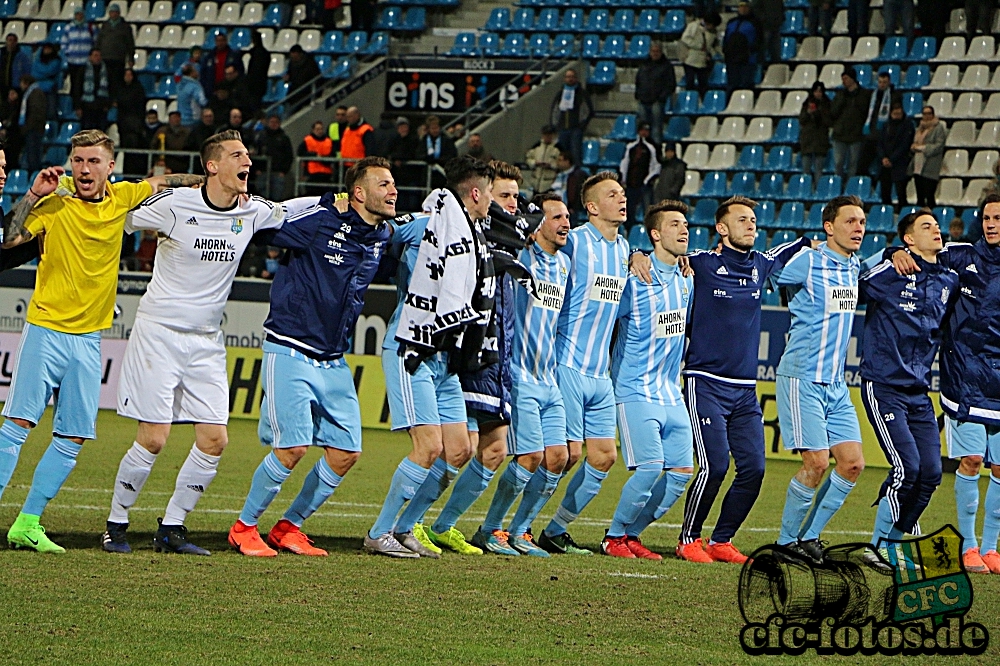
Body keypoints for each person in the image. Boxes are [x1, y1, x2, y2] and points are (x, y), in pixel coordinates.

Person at [101, 130, 319, 555]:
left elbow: (293, 209)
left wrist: (340, 202)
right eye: (238, 155)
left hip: (206, 342)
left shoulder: (252, 210)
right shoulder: (172, 206)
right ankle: (116, 524)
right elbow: (118, 214)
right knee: (154, 438)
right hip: (159, 334)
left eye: (248, 156)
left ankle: (172, 528)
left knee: (215, 440)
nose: (249, 163)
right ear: (213, 165)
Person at [0, 130, 203, 553]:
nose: (84, 169)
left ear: (110, 166)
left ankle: (28, 522)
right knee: (16, 427)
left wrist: (211, 181)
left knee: (72, 437)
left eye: (93, 161)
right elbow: (12, 241)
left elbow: (165, 183)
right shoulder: (55, 201)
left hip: (89, 340)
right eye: (78, 161)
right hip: (47, 330)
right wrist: (33, 195)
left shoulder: (124, 196)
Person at [631, 197, 813, 563]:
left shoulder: (762, 264)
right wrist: (636, 253)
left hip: (745, 389)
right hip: (705, 381)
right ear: (722, 228)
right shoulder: (701, 262)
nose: (751, 225)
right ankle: (688, 539)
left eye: (754, 220)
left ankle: (722, 540)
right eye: (742, 219)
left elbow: (805, 242)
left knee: (755, 469)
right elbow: (662, 254)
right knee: (714, 465)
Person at [228, 161, 392, 556]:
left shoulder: (383, 233)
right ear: (357, 192)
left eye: (393, 184)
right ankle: (244, 526)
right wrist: (320, 200)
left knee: (346, 452)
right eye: (383, 184)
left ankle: (288, 527)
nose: (393, 191)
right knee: (293, 448)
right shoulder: (319, 220)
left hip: (334, 359)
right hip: (290, 348)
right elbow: (266, 223)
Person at [364, 157, 493, 558]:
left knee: (458, 450)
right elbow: (379, 234)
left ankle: (405, 528)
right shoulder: (425, 225)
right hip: (412, 349)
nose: (491, 200)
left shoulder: (475, 238)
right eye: (489, 192)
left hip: (445, 357)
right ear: (474, 193)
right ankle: (379, 531)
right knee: (428, 447)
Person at [888, 194, 1000, 574]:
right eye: (986, 217)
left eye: (998, 218)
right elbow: (921, 252)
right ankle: (969, 547)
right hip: (964, 377)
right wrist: (893, 253)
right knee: (970, 461)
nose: (990, 224)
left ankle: (991, 547)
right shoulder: (963, 255)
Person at [534, 172, 630, 555]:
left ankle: (555, 530)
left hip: (599, 373)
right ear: (592, 207)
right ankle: (514, 526)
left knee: (604, 456)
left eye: (622, 193)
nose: (621, 199)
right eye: (612, 194)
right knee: (566, 455)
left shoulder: (624, 249)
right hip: (568, 364)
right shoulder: (574, 242)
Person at [858, 210, 957, 569]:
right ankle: (878, 547)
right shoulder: (892, 270)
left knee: (930, 474)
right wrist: (886, 253)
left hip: (919, 392)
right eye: (925, 227)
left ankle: (893, 543)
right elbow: (855, 276)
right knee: (907, 468)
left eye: (936, 226)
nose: (936, 231)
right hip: (883, 385)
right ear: (909, 240)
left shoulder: (949, 279)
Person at [478, 192, 570, 558]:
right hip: (520, 375)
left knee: (559, 458)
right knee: (529, 456)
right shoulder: (520, 259)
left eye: (567, 217)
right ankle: (490, 529)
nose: (565, 223)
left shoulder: (564, 265)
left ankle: (520, 531)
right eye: (557, 217)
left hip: (550, 379)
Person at [774, 195, 865, 565]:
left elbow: (886, 263)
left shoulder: (855, 266)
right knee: (816, 463)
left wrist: (893, 252)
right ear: (829, 227)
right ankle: (783, 544)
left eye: (861, 222)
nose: (858, 228)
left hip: (836, 384)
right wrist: (799, 243)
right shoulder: (808, 262)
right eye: (850, 221)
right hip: (802, 378)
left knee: (853, 464)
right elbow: (764, 267)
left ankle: (809, 537)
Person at [602, 200, 693, 560]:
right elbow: (602, 320)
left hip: (672, 393)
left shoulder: (687, 278)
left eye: (685, 224)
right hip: (634, 389)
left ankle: (632, 535)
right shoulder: (633, 280)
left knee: (682, 472)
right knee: (650, 468)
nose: (684, 230)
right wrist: (633, 256)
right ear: (655, 234)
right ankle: (613, 537)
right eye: (674, 225)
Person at [830, 66, 871, 182]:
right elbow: (833, 111)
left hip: (856, 133)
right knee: (838, 163)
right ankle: (838, 185)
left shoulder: (863, 94)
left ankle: (850, 186)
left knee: (853, 163)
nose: (844, 81)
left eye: (846, 78)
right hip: (840, 133)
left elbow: (865, 110)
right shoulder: (840, 94)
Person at [859, 72, 901, 178]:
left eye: (885, 82)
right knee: (863, 164)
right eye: (880, 82)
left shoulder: (894, 96)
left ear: (889, 82)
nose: (882, 84)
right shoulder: (872, 95)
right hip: (870, 134)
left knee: (882, 164)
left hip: (885, 135)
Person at [549, 69, 592, 168]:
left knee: (576, 155)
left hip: (576, 129)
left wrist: (582, 126)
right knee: (563, 156)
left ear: (576, 78)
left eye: (572, 76)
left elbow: (588, 111)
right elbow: (555, 110)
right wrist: (555, 126)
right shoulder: (560, 94)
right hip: (562, 129)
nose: (570, 79)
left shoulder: (582, 93)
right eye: (568, 77)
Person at [620, 122, 660, 227]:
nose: (644, 133)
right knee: (629, 211)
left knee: (647, 210)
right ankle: (628, 232)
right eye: (642, 130)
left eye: (646, 130)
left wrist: (646, 180)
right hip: (631, 184)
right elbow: (625, 163)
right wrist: (623, 179)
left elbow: (655, 166)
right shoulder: (630, 147)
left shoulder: (652, 148)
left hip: (644, 185)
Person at [634, 42, 675, 145]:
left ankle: (656, 151)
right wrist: (638, 94)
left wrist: (661, 97)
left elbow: (671, 84)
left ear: (661, 52)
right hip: (643, 100)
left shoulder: (667, 66)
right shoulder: (643, 65)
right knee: (643, 129)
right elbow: (638, 80)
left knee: (656, 129)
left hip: (657, 102)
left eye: (657, 51)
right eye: (653, 51)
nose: (655, 54)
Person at [910, 106, 947, 209]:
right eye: (924, 113)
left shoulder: (938, 128)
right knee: (920, 196)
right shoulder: (919, 128)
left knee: (929, 195)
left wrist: (922, 148)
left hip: (930, 166)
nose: (926, 116)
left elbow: (939, 145)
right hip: (918, 165)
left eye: (929, 113)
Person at [877, 103, 914, 206]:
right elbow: (880, 143)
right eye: (895, 113)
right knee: (885, 192)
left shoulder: (907, 125)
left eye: (899, 113)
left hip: (900, 163)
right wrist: (883, 158)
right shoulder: (886, 125)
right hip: (884, 164)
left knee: (901, 192)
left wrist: (892, 159)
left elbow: (905, 145)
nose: (897, 116)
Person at [723, 1, 761, 96]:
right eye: (741, 7)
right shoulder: (731, 22)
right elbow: (726, 39)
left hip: (747, 60)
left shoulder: (755, 23)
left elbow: (759, 41)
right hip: (731, 60)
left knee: (746, 84)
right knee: (732, 85)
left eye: (745, 7)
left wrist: (750, 52)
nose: (743, 9)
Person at [680, 12, 721, 99]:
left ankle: (703, 101)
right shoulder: (694, 26)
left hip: (702, 61)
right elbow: (685, 38)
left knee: (703, 85)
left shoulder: (713, 32)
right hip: (690, 60)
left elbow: (710, 46)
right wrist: (698, 45)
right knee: (690, 83)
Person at [94, 3, 133, 95]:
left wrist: (131, 57)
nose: (113, 14)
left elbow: (130, 44)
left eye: (115, 12)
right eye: (111, 12)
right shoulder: (104, 25)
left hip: (119, 58)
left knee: (117, 81)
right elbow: (99, 41)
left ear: (119, 13)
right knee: (105, 81)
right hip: (105, 58)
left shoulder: (126, 27)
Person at [799, 81, 832, 189]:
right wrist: (808, 113)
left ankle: (818, 189)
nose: (818, 94)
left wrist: (818, 113)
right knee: (806, 170)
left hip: (820, 141)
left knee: (819, 170)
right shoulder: (806, 104)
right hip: (807, 140)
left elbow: (828, 121)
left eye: (820, 91)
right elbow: (802, 120)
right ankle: (805, 189)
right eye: (816, 91)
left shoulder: (827, 105)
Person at [61, 6, 94, 105]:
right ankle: (74, 105)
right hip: (73, 61)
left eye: (80, 14)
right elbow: (63, 43)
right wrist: (68, 53)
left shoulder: (90, 28)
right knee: (74, 84)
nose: (79, 16)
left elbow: (95, 43)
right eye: (77, 14)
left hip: (85, 61)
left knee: (84, 85)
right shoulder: (68, 28)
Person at [255, 114, 294, 200]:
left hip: (278, 173)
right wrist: (257, 169)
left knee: (276, 199)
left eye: (276, 122)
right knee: (261, 199)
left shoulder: (284, 138)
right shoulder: (261, 136)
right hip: (263, 172)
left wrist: (284, 171)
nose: (274, 124)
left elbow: (289, 156)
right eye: (272, 122)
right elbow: (256, 152)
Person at [387, 116, 420, 210]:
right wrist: (395, 159)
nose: (403, 129)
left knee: (412, 201)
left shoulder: (414, 140)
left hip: (411, 175)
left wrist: (401, 159)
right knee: (400, 199)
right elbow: (388, 152)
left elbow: (414, 154)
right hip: (398, 176)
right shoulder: (394, 140)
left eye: (405, 126)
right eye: (401, 127)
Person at [199, 33, 244, 101]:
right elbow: (203, 74)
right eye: (218, 41)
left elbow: (240, 72)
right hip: (212, 91)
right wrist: (206, 88)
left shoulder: (234, 56)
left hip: (229, 91)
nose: (220, 43)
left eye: (222, 40)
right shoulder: (209, 57)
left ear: (226, 41)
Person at [78, 49, 111, 131]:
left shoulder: (106, 71)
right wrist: (78, 107)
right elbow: (77, 88)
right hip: (87, 106)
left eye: (99, 55)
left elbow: (111, 88)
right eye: (95, 55)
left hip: (101, 107)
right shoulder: (83, 70)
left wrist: (107, 104)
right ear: (90, 57)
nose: (98, 58)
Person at [18, 75, 46, 172]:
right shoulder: (32, 93)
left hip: (34, 129)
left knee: (33, 156)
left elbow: (35, 114)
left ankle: (34, 176)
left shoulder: (35, 94)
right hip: (33, 128)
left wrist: (26, 128)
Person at [550, 147, 586, 221]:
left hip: (572, 210)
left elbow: (580, 193)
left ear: (567, 161)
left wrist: (573, 208)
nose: (557, 162)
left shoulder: (578, 175)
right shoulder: (559, 174)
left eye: (560, 160)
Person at [298, 120, 334, 195]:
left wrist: (322, 159)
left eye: (321, 129)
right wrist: (314, 155)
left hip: (326, 174)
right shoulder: (307, 140)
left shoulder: (329, 141)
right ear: (313, 130)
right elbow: (300, 152)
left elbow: (332, 156)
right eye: (317, 129)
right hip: (312, 174)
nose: (320, 131)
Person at [420, 114, 456, 188]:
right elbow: (418, 154)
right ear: (428, 129)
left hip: (443, 174)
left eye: (436, 128)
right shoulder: (424, 140)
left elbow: (452, 154)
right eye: (432, 128)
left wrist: (438, 160)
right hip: (427, 176)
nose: (435, 130)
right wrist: (428, 158)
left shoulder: (446, 140)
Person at [525, 125, 560, 195]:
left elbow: (562, 163)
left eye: (549, 134)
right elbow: (528, 158)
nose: (547, 136)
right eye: (545, 134)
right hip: (536, 183)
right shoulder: (536, 146)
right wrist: (535, 163)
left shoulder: (558, 148)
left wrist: (551, 165)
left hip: (549, 184)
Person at [30, 42, 62, 120]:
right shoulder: (37, 60)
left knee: (51, 112)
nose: (47, 51)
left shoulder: (56, 61)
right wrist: (45, 73)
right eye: (45, 49)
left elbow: (49, 70)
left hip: (50, 89)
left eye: (49, 49)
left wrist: (40, 71)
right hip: (38, 88)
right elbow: (33, 73)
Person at [0, 34, 30, 114]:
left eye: (13, 40)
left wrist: (19, 89)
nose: (11, 43)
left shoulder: (22, 57)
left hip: (15, 89)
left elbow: (26, 73)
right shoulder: (1, 54)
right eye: (9, 40)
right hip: (2, 88)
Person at [176, 64, 208, 128]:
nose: (197, 72)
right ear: (192, 73)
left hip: (181, 119)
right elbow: (202, 102)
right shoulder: (195, 87)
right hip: (193, 120)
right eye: (195, 71)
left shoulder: (179, 85)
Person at [245, 31, 270, 107]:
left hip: (255, 85)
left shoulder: (258, 54)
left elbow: (256, 71)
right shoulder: (264, 53)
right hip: (259, 84)